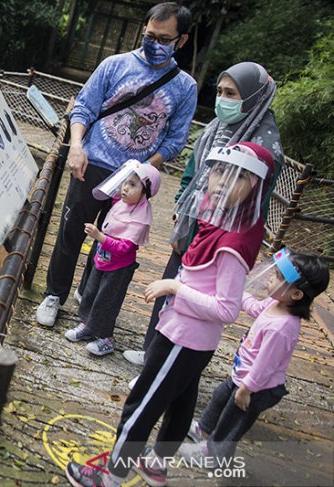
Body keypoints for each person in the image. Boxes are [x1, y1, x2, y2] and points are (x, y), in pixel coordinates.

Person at [64, 142, 276, 487]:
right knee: (180, 402)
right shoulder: (223, 226)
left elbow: (226, 308)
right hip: (187, 336)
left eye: (236, 175)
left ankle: (111, 475)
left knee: (141, 404)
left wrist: (174, 288)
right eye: (218, 171)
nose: (221, 180)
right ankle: (157, 464)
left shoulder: (234, 242)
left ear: (254, 185)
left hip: (183, 338)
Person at [35, 2, 197, 327]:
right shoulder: (115, 65)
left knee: (113, 243)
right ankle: (54, 294)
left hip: (133, 182)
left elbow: (176, 140)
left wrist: (141, 170)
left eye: (164, 38)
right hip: (91, 164)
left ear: (181, 41)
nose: (154, 42)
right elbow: (83, 107)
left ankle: (88, 293)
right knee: (70, 233)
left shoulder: (185, 87)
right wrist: (77, 147)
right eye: (150, 34)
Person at [123, 61, 284, 369]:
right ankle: (153, 352)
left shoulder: (264, 143)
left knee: (195, 296)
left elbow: (255, 200)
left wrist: (229, 235)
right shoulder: (215, 128)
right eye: (220, 91)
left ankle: (171, 360)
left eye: (232, 93)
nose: (222, 99)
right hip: (195, 221)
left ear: (253, 96)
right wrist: (183, 211)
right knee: (171, 285)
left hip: (224, 234)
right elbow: (193, 172)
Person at [179, 249, 329, 463]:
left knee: (233, 421)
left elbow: (265, 365)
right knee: (220, 397)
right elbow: (255, 307)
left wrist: (247, 389)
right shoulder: (275, 303)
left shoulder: (282, 328)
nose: (270, 277)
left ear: (296, 294)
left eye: (278, 277)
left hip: (258, 386)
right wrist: (237, 291)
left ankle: (214, 453)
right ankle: (203, 429)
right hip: (243, 375)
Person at [64, 161, 161, 357]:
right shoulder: (121, 202)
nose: (125, 188)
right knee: (90, 292)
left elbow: (126, 247)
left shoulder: (139, 217)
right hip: (103, 258)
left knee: (106, 301)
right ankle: (88, 326)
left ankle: (106, 338)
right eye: (125, 182)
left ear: (146, 192)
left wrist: (100, 237)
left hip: (118, 267)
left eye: (133, 184)